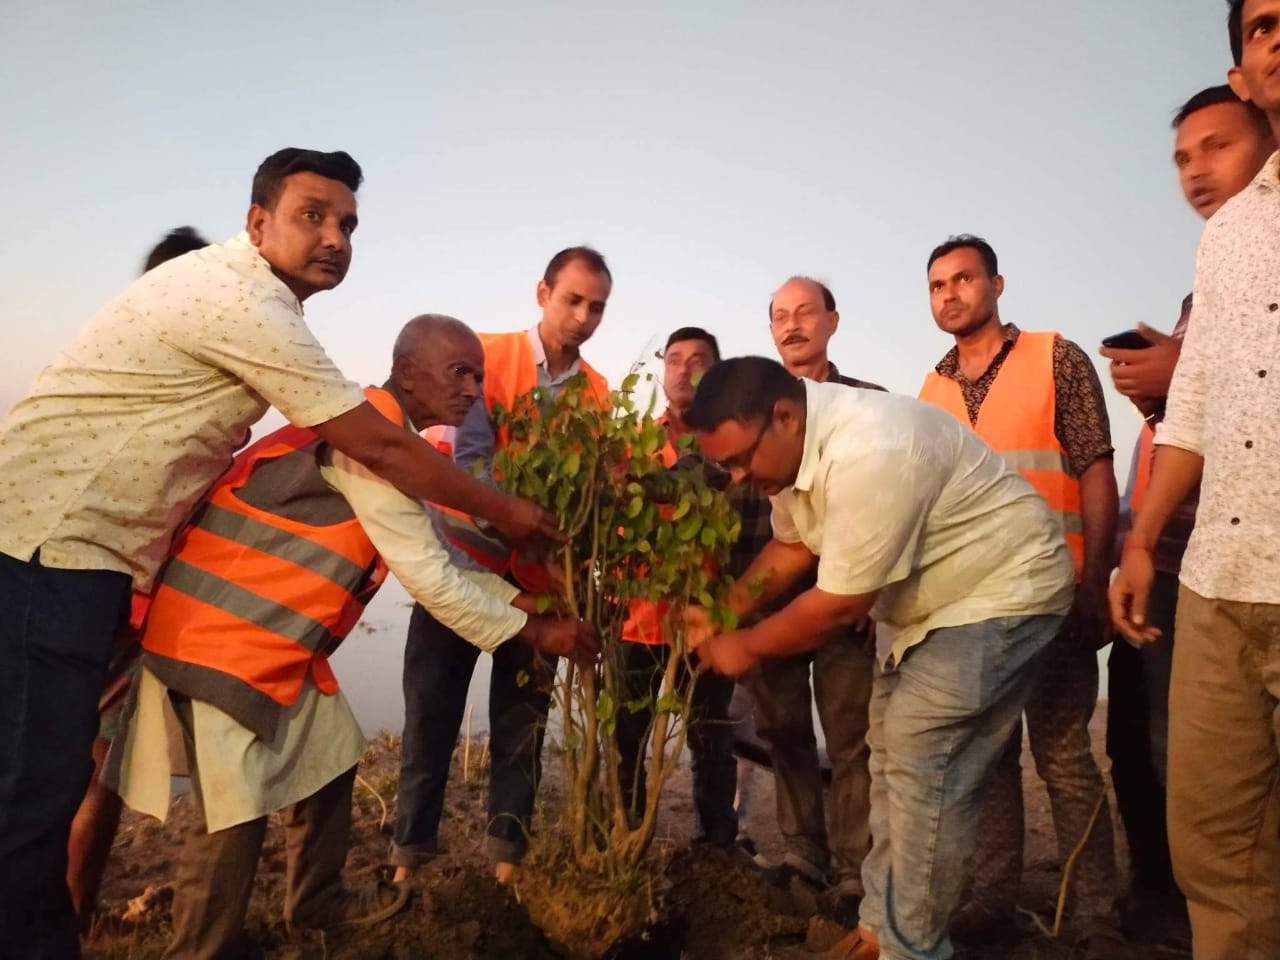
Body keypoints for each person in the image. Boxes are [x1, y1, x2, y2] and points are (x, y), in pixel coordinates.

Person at [0, 147, 559, 959]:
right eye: (312, 216)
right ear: (257, 221)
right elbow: (415, 528)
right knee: (48, 800)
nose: (334, 236)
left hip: (126, 575)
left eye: (347, 224)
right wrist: (519, 543)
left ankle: (315, 897)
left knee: (320, 749)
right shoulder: (250, 304)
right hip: (61, 556)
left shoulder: (270, 313)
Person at [106, 315, 598, 959]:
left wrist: (527, 601)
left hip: (273, 642)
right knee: (235, 808)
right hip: (222, 637)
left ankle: (315, 900)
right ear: (409, 370)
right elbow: (435, 586)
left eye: (478, 375)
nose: (475, 389)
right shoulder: (375, 449)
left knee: (332, 752)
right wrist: (537, 631)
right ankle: (202, 947)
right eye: (458, 372)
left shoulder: (385, 436)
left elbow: (437, 564)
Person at [687, 356, 1075, 960]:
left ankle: (910, 947)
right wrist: (725, 610)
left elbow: (838, 606)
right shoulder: (795, 457)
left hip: (1001, 594)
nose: (736, 477)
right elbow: (792, 547)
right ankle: (880, 928)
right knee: (889, 756)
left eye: (740, 459)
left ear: (784, 416)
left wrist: (746, 644)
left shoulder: (871, 449)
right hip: (933, 608)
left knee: (926, 765)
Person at [1110, 2, 1280, 954]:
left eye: (1212, 148)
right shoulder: (1230, 238)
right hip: (1216, 578)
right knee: (1216, 848)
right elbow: (1205, 403)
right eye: (1259, 25)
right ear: (1244, 68)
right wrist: (1139, 540)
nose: (1277, 36)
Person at [917, 236, 1124, 956]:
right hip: (972, 611)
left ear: (996, 284)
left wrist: (1095, 579)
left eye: (964, 278)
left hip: (1055, 599)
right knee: (990, 755)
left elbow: (1096, 468)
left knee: (1065, 757)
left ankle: (1096, 911)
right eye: (938, 283)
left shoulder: (1055, 357)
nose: (950, 293)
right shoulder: (932, 390)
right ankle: (992, 897)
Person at [391, 247, 612, 883]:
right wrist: (512, 520)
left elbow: (589, 493)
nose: (583, 316)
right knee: (429, 716)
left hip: (542, 583)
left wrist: (564, 555)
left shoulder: (596, 394)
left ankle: (507, 863)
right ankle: (409, 858)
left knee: (522, 729)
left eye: (596, 306)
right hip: (459, 567)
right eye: (573, 300)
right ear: (542, 292)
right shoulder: (483, 357)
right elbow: (468, 461)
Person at [64, 225, 214, 934]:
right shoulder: (183, 377)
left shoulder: (103, 363)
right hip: (111, 596)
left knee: (68, 770)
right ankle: (68, 919)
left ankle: (67, 919)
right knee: (93, 776)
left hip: (81, 588)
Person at [745, 276, 880, 923]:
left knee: (854, 741)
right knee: (784, 735)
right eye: (780, 316)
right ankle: (804, 853)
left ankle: (856, 869)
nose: (793, 325)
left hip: (849, 610)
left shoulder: (868, 405)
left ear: (832, 320)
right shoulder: (755, 409)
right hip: (772, 607)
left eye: (805, 313)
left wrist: (876, 603)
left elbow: (892, 519)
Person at [615, 327, 740, 847]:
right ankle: (625, 837)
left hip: (706, 615)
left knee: (711, 735)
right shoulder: (631, 440)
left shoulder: (732, 440)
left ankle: (717, 842)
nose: (685, 369)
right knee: (627, 735)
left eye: (699, 360)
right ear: (662, 370)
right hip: (638, 616)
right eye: (675, 359)